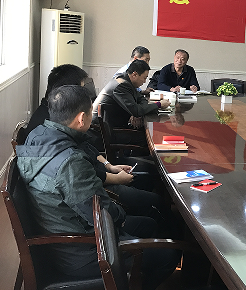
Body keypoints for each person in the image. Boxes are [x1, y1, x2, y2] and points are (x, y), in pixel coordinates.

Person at [16, 85, 179, 289]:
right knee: (169, 255)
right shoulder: (70, 162)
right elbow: (103, 214)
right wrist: (122, 214)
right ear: (81, 118)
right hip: (82, 252)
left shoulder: (39, 134)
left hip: (61, 236)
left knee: (148, 225)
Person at [26, 64, 162, 220]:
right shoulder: (50, 128)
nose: (86, 92)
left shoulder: (54, 122)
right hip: (85, 205)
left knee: (146, 188)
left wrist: (108, 166)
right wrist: (113, 179)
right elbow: (77, 178)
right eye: (82, 88)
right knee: (153, 206)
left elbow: (86, 149)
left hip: (92, 184)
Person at [93, 59, 170, 132]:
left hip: (114, 124)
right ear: (134, 74)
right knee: (146, 135)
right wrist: (158, 104)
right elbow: (136, 110)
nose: (144, 81)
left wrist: (138, 111)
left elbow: (140, 99)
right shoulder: (122, 85)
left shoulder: (126, 80)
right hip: (103, 130)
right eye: (144, 78)